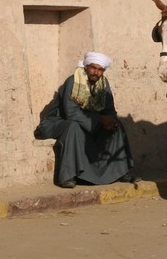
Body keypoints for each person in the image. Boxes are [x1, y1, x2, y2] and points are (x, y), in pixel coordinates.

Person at [35, 51, 136, 188]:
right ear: (86, 67)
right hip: (57, 122)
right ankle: (68, 176)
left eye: (100, 70)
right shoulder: (73, 81)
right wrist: (100, 120)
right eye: (93, 68)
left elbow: (109, 109)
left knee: (117, 126)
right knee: (73, 127)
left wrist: (109, 120)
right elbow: (71, 113)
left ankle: (120, 172)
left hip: (89, 121)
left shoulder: (103, 84)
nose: (96, 72)